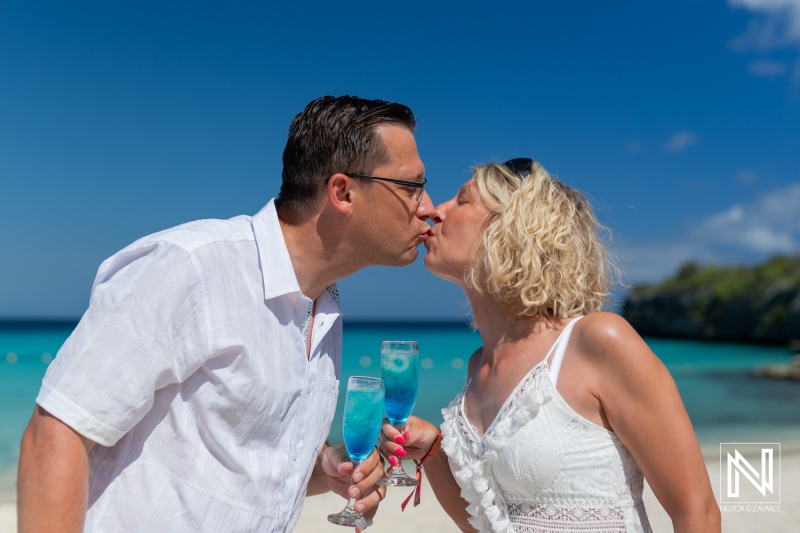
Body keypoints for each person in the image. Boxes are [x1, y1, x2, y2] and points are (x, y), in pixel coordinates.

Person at [17, 95, 434, 532]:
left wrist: (327, 464)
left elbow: (261, 465)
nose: (426, 207)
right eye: (411, 187)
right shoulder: (189, 266)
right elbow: (57, 432)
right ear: (343, 192)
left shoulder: (324, 308)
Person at [380, 159, 720, 532]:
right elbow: (490, 522)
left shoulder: (597, 341)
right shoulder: (478, 366)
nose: (434, 211)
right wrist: (431, 448)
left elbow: (696, 511)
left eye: (462, 200)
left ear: (511, 227)